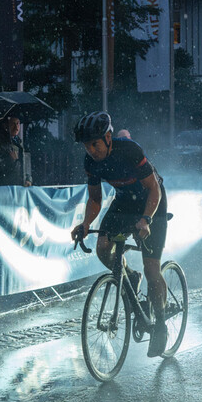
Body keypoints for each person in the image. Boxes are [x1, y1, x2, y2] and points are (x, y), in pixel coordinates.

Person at [70, 111, 170, 358]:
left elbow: (153, 188)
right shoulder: (90, 162)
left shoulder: (130, 151)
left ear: (108, 137)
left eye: (95, 143)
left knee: (152, 269)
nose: (91, 150)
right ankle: (129, 277)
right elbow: (95, 199)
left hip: (152, 203)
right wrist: (85, 224)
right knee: (103, 247)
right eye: (87, 145)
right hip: (124, 202)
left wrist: (146, 220)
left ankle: (160, 323)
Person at [0, 115, 32, 187]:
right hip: (7, 188)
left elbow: (25, 166)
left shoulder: (19, 144)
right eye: (13, 124)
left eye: (18, 123)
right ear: (5, 126)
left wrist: (28, 179)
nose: (16, 127)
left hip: (20, 187)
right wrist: (13, 161)